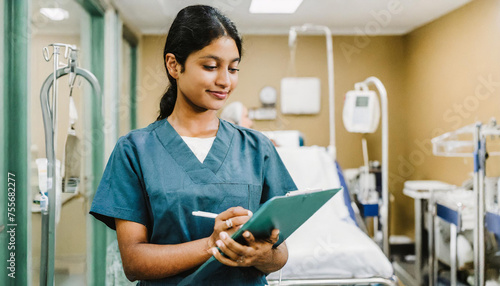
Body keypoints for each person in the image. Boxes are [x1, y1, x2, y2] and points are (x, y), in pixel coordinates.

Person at [89, 5, 296, 286]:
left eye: (233, 68)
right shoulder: (134, 151)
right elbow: (134, 263)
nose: (225, 80)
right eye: (210, 66)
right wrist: (213, 245)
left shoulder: (258, 149)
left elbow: (279, 254)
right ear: (174, 65)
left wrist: (259, 254)